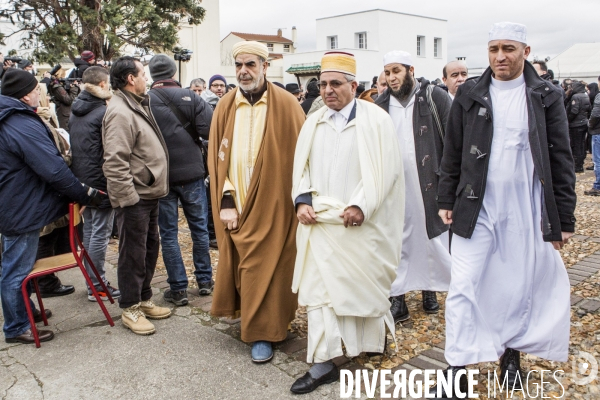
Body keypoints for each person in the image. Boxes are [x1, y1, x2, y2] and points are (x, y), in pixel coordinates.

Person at [433, 22, 576, 397]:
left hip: (525, 207)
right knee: (463, 286)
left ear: (525, 51)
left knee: (516, 284)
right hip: (474, 206)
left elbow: (561, 157)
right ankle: (457, 368)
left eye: (508, 48)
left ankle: (510, 353)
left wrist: (564, 218)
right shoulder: (470, 94)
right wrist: (446, 198)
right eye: (494, 48)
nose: (500, 56)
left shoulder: (546, 95)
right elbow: (453, 151)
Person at [290, 51, 405, 394]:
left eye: (335, 84)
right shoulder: (314, 120)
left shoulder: (376, 119)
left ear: (354, 86)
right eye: (323, 84)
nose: (328, 90)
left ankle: (368, 342)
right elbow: (301, 168)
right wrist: (303, 200)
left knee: (361, 285)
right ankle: (324, 362)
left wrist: (360, 205)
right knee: (322, 292)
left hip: (360, 224)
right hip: (322, 225)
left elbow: (387, 171)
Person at [208, 41, 305, 363]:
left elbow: (303, 158)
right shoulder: (224, 105)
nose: (243, 71)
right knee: (245, 267)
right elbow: (216, 160)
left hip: (276, 202)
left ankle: (263, 330)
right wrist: (225, 200)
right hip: (236, 202)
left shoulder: (288, 105)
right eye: (238, 65)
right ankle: (251, 319)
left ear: (265, 66)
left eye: (250, 64)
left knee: (274, 267)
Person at [0, 68, 105, 344]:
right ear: (24, 94)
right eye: (36, 89)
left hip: (15, 204)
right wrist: (83, 194)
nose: (39, 94)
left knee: (20, 265)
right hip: (19, 208)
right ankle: (16, 326)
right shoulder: (19, 123)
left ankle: (25, 312)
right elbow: (53, 168)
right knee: (16, 269)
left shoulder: (11, 118)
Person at [375, 51, 452, 323]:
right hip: (394, 186)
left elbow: (454, 138)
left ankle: (429, 290)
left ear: (410, 69)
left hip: (430, 182)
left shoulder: (435, 97)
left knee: (431, 237)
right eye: (387, 72)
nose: (392, 77)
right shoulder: (379, 104)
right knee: (397, 240)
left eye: (396, 70)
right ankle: (398, 298)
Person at [102, 56, 172, 335]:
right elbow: (114, 161)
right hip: (135, 197)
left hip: (148, 192)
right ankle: (130, 308)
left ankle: (143, 299)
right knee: (132, 253)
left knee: (148, 247)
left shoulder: (135, 104)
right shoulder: (120, 111)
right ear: (131, 79)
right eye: (142, 73)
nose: (147, 78)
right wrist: (128, 199)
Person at [147, 54, 214, 306]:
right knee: (199, 228)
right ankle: (205, 281)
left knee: (169, 233)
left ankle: (178, 289)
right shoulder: (193, 97)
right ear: (174, 72)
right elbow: (209, 130)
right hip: (193, 173)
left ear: (152, 75)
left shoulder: (144, 101)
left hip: (161, 175)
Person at [70, 66, 120, 301]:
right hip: (100, 180)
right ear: (102, 84)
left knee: (91, 231)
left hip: (82, 179)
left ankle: (93, 281)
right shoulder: (102, 111)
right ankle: (97, 285)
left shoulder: (76, 108)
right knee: (100, 233)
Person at [567, 80, 591, 172]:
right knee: (581, 144)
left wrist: (568, 120)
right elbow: (589, 109)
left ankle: (577, 165)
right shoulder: (585, 96)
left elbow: (574, 111)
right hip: (583, 123)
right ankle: (580, 163)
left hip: (576, 124)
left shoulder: (575, 97)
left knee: (576, 145)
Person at [585, 76, 600, 196]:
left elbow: (595, 114)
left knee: (598, 160)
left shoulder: (599, 97)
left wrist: (590, 124)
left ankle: (598, 186)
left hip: (598, 131)